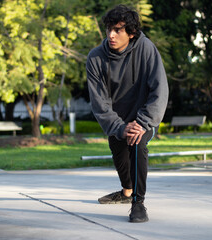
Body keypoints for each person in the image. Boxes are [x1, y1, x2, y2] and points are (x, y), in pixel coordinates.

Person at [86, 4, 168, 223]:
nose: (111, 35)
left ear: (131, 33)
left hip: (143, 117)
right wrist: (120, 127)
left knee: (138, 144)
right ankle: (126, 192)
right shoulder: (95, 58)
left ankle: (138, 203)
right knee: (117, 148)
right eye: (109, 29)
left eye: (118, 30)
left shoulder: (146, 49)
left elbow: (159, 91)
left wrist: (141, 122)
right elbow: (99, 102)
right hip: (117, 120)